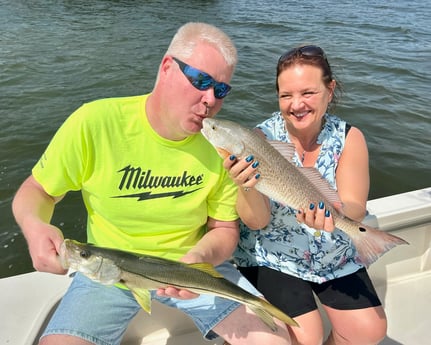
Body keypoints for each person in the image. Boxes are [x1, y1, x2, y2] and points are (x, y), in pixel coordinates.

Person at [12, 22, 291, 345]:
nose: (210, 99)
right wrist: (34, 227)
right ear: (167, 68)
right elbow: (38, 190)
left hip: (193, 270)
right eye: (200, 80)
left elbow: (224, 230)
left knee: (275, 339)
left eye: (221, 89)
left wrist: (197, 261)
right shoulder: (94, 123)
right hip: (107, 273)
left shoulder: (222, 146)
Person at [224, 45, 387, 345]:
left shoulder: (349, 137)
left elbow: (354, 205)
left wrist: (333, 217)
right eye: (286, 96)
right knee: (304, 335)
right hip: (272, 253)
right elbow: (257, 222)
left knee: (369, 329)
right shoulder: (260, 139)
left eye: (307, 93)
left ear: (330, 89)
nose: (296, 105)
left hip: (330, 248)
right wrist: (245, 184)